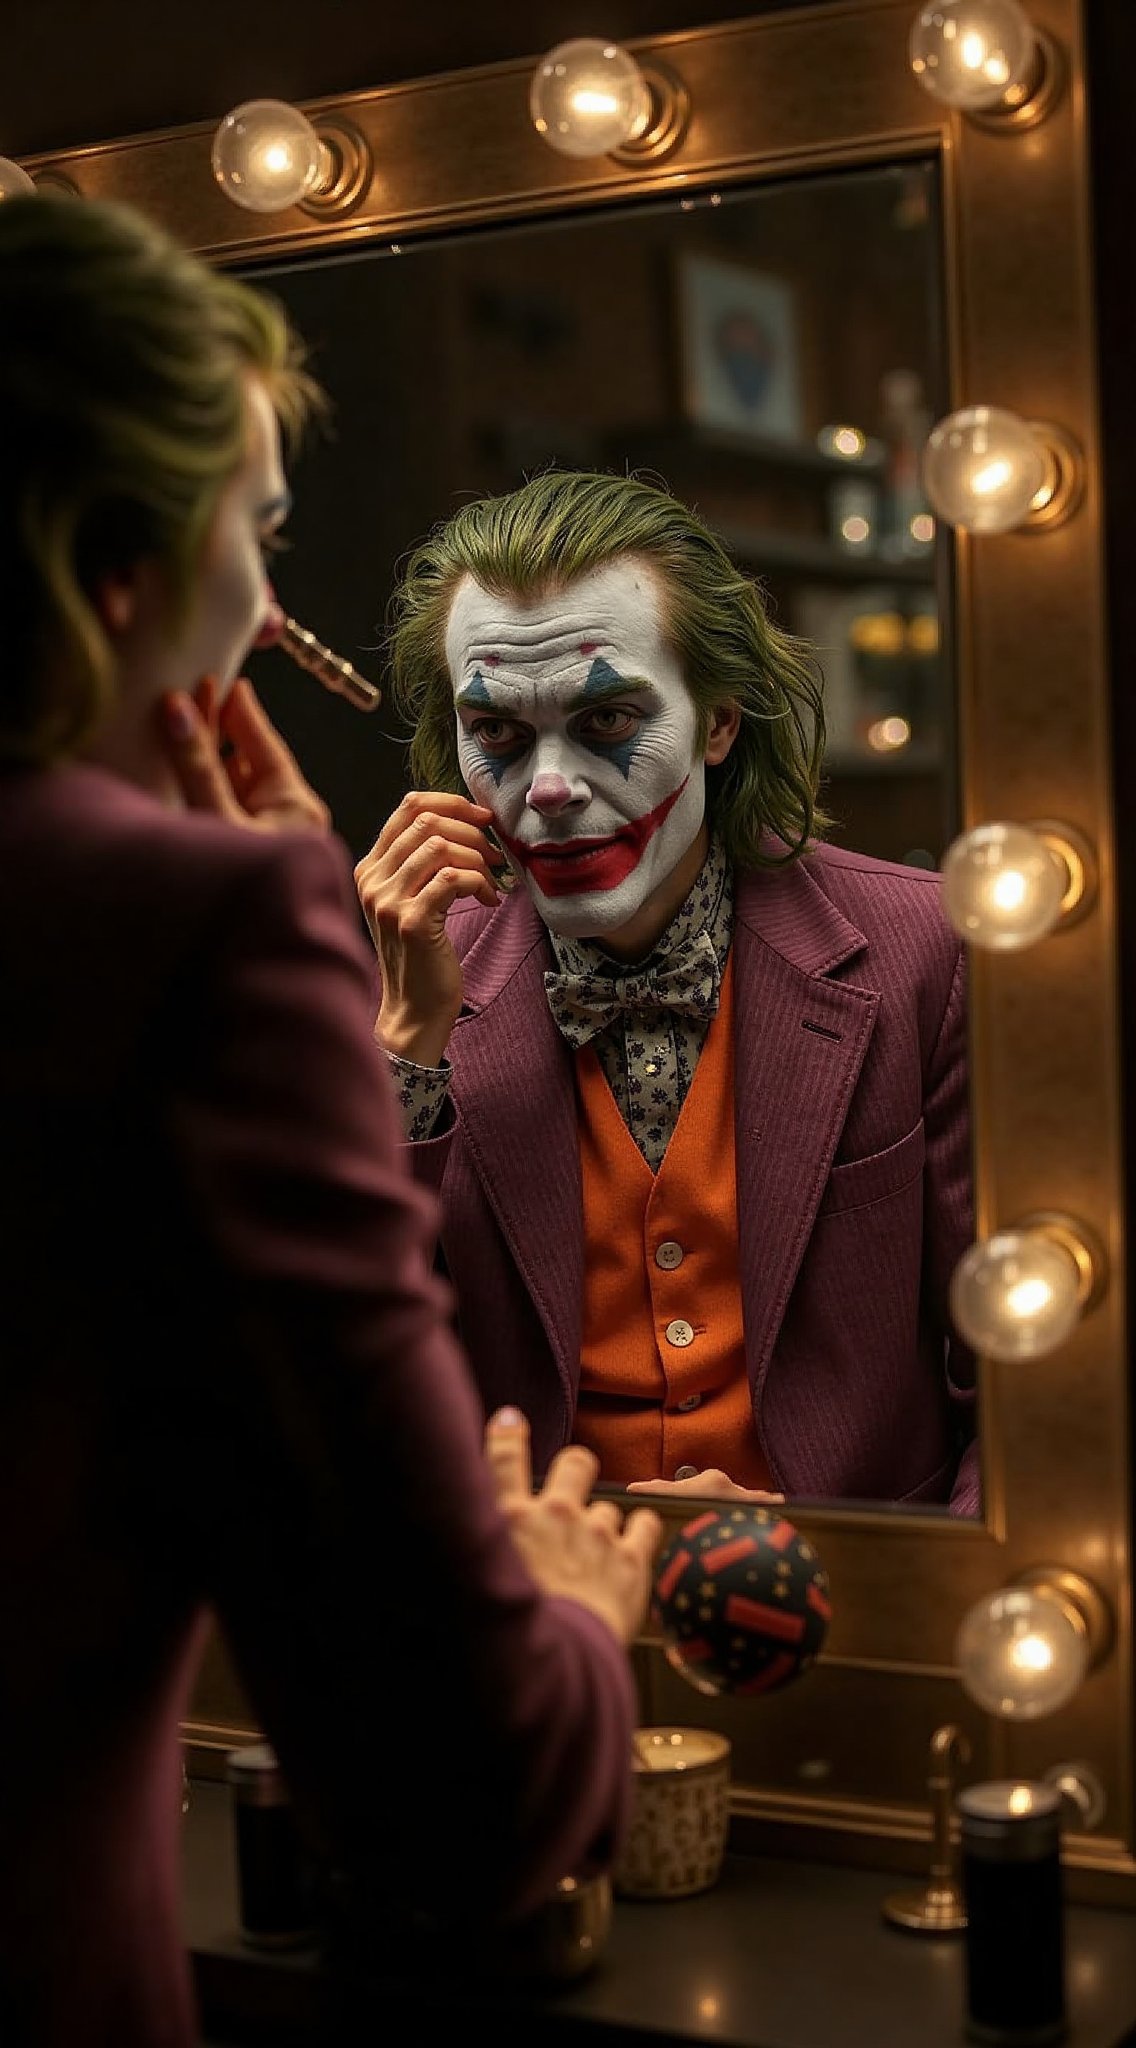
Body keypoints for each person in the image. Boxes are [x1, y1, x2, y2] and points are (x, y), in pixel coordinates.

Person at [0, 195, 662, 2048]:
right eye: (256, 532)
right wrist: (573, 1610)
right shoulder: (212, 937)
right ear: (125, 558)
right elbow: (455, 1782)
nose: (267, 608)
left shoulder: (909, 946)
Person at [354, 467, 978, 1518]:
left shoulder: (924, 952)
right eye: (498, 734)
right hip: (540, 1619)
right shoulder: (409, 974)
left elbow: (1023, 1385)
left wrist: (911, 1602)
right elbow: (331, 1369)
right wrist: (406, 1048)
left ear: (718, 720)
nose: (546, 789)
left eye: (604, 720)